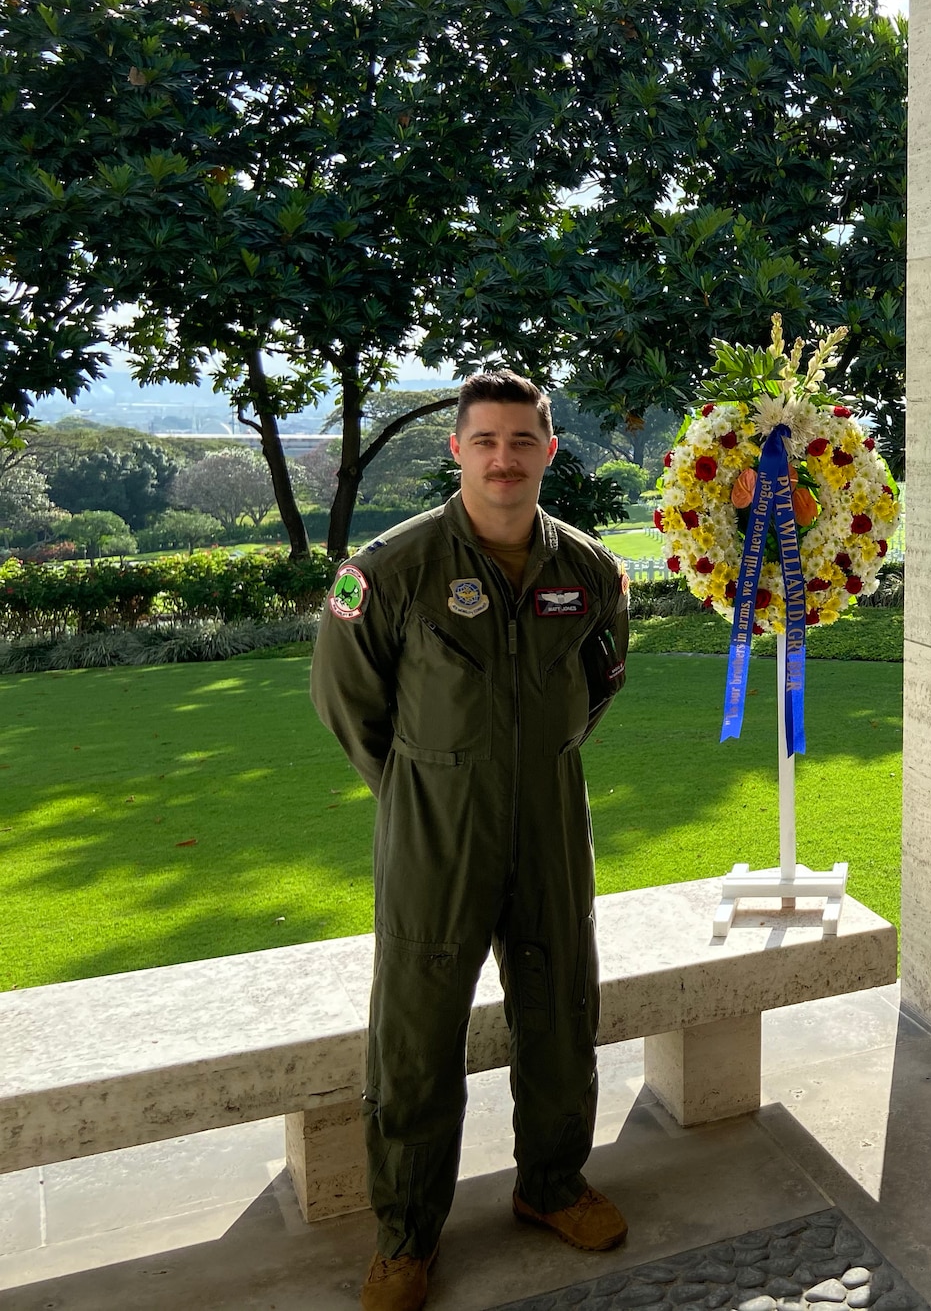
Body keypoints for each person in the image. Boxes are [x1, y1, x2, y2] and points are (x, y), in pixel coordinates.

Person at [311, 371, 632, 1311]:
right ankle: (406, 1235)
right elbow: (348, 704)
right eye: (485, 440)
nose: (504, 457)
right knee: (416, 1028)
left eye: (522, 440)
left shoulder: (589, 573)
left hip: (549, 821)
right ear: (457, 450)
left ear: (548, 451)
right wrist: (426, 783)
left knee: (561, 1005)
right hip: (434, 834)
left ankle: (553, 1184)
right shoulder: (391, 570)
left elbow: (602, 680)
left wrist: (534, 763)